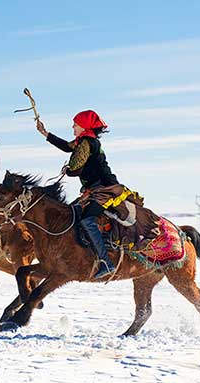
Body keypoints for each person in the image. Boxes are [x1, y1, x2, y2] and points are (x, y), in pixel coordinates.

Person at [37, 110, 159, 278]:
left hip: (104, 189)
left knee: (87, 220)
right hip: (95, 189)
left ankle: (105, 262)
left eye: (75, 124)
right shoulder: (83, 141)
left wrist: (68, 170)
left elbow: (75, 167)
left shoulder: (86, 143)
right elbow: (67, 147)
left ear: (84, 126)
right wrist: (46, 133)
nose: (73, 126)